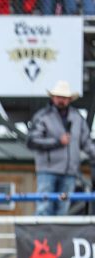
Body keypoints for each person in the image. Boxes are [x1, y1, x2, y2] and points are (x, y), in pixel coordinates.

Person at [27, 80, 95, 216]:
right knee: (44, 207)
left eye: (64, 98)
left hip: (70, 172)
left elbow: (86, 142)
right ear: (53, 98)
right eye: (59, 97)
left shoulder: (77, 118)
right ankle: (42, 237)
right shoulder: (43, 117)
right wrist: (58, 141)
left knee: (62, 210)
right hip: (47, 171)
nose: (61, 101)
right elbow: (32, 141)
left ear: (69, 99)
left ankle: (57, 237)